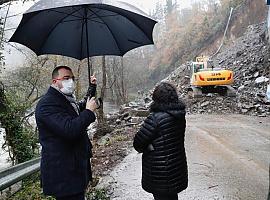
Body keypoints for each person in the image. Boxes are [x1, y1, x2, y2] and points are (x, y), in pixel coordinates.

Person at [35, 66, 98, 200]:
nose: (70, 81)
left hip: (74, 169)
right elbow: (69, 129)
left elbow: (80, 107)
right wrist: (88, 112)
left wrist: (92, 87)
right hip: (63, 174)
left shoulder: (66, 99)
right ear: (54, 81)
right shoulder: (47, 104)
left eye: (72, 78)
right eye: (66, 78)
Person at [133, 82, 188, 200]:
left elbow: (138, 143)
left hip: (160, 174)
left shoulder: (155, 119)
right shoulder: (179, 116)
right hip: (176, 169)